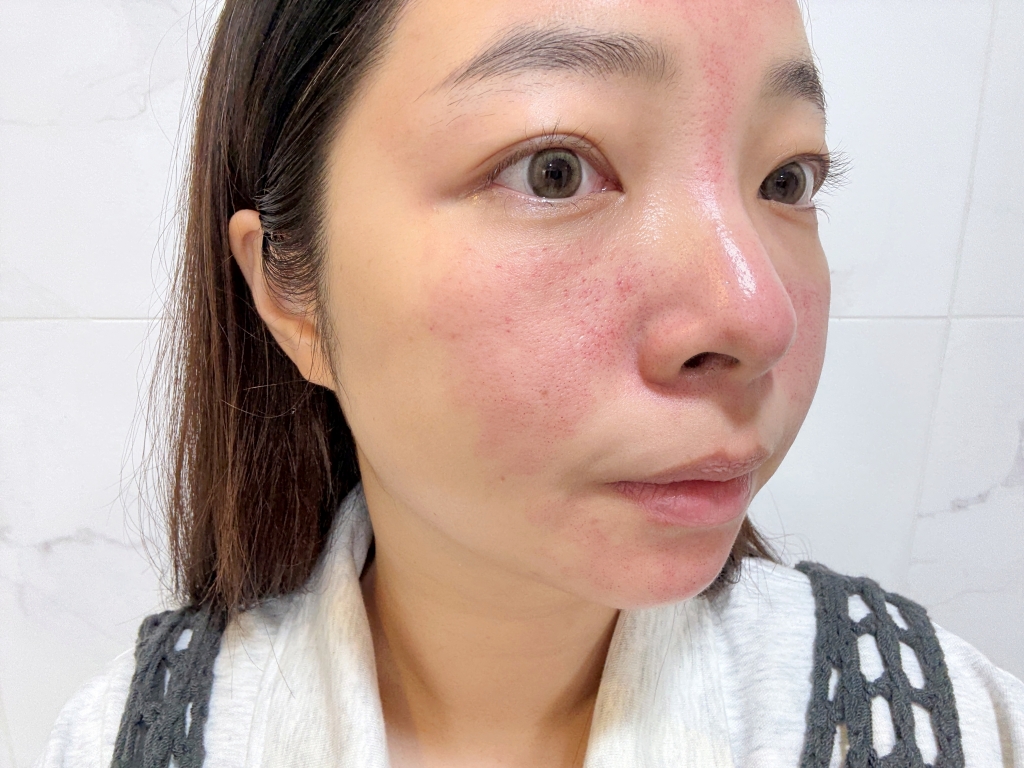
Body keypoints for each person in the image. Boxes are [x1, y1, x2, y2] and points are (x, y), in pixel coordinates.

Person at [36, 0, 1023, 766]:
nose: (758, 317)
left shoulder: (942, 722)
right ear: (293, 296)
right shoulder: (126, 739)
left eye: (785, 181)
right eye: (554, 170)